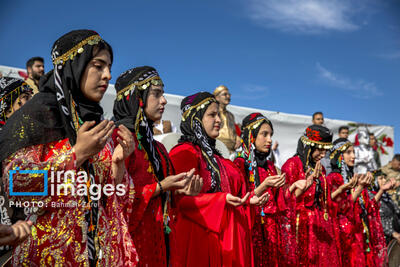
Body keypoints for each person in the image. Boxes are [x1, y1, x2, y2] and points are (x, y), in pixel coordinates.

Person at [0, 29, 138, 266]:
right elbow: (17, 187)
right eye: (98, 65)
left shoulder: (96, 125)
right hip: (48, 255)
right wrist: (76, 155)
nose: (107, 75)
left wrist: (119, 166)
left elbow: (118, 204)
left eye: (109, 68)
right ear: (74, 65)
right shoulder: (37, 116)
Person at [112, 66, 203, 266]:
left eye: (163, 94)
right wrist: (161, 187)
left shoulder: (158, 148)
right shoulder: (117, 138)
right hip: (130, 247)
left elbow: (167, 202)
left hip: (160, 244)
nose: (164, 101)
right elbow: (111, 198)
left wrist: (183, 191)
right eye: (157, 94)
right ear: (138, 97)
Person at [169, 92, 268, 267]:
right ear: (195, 118)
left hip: (232, 239)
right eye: (212, 115)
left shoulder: (222, 160)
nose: (219, 120)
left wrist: (249, 200)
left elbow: (234, 194)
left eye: (219, 115)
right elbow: (178, 202)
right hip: (202, 242)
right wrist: (220, 200)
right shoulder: (184, 153)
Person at [233, 113, 297, 267]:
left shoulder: (270, 166)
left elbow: (280, 204)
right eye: (264, 134)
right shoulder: (240, 164)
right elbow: (241, 200)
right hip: (251, 229)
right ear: (251, 136)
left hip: (272, 230)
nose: (269, 140)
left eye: (271, 135)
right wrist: (264, 186)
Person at [281, 125, 342, 266]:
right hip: (300, 226)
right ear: (309, 146)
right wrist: (305, 186)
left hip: (318, 224)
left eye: (325, 151)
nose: (323, 155)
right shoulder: (292, 165)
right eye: (320, 150)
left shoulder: (319, 169)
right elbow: (286, 199)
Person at [213, 85, 240, 153]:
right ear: (217, 97)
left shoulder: (230, 115)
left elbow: (233, 131)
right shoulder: (213, 113)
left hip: (231, 151)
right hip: (217, 148)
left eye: (229, 94)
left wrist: (238, 138)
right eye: (225, 94)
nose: (228, 97)